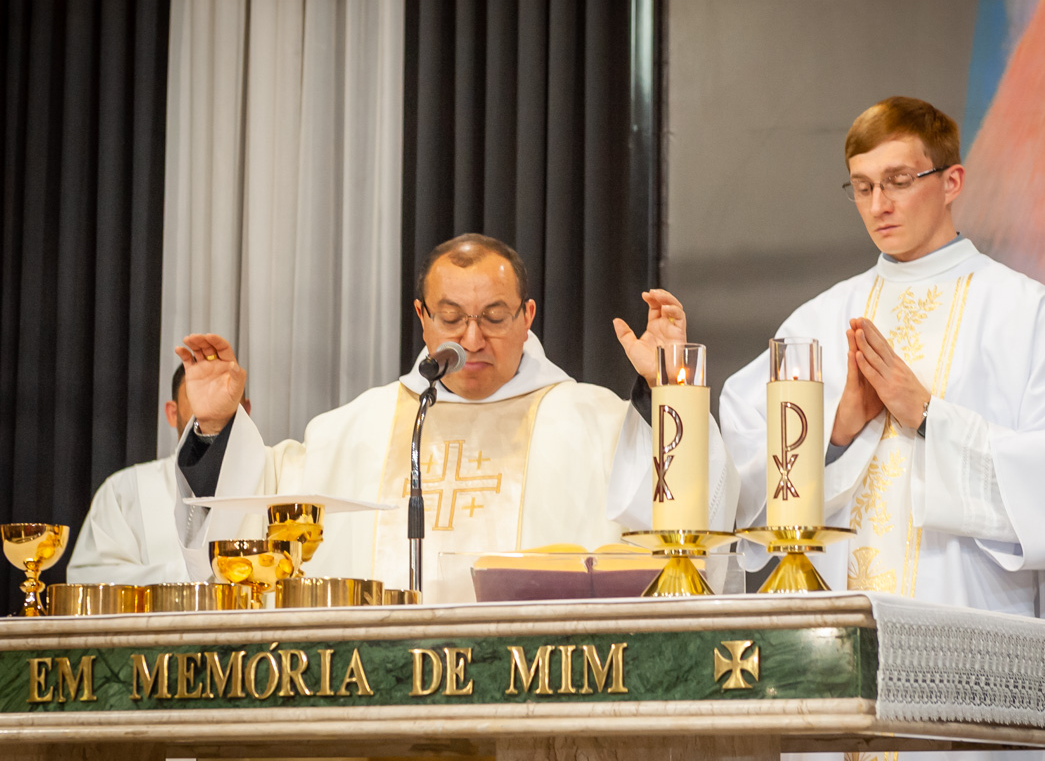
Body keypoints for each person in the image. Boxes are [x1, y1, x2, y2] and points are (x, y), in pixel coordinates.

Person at [719, 97, 1045, 761]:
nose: (879, 205)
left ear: (951, 181)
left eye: (898, 181)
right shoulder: (818, 321)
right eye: (862, 186)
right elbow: (745, 483)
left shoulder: (1027, 315)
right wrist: (839, 430)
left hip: (968, 645)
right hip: (832, 658)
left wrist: (928, 416)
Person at [174, 233, 737, 603]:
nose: (471, 340)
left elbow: (682, 535)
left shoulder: (594, 422)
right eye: (451, 318)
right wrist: (217, 430)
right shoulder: (355, 430)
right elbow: (262, 518)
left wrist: (670, 390)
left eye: (494, 317)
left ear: (527, 316)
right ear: (422, 317)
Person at [67, 365, 250, 585]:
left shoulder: (273, 480)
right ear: (172, 413)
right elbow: (89, 579)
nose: (215, 406)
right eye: (200, 393)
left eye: (225, 393)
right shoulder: (124, 490)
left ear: (246, 411)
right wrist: (194, 576)